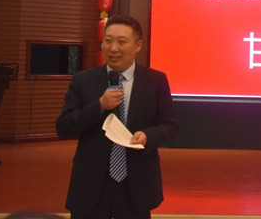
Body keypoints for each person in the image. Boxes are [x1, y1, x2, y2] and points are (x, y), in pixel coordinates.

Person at [56, 15, 178, 219]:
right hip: (91, 185)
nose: (113, 48)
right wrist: (99, 106)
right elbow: (64, 127)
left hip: (136, 185)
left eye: (121, 42)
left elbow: (169, 126)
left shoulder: (155, 81)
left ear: (138, 45)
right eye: (108, 41)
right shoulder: (83, 80)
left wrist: (147, 137)